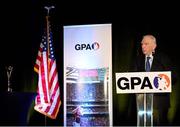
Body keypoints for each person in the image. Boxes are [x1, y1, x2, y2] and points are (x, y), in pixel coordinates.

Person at [133, 34, 176, 126]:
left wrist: (162, 81)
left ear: (154, 46)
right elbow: (133, 79)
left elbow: (174, 77)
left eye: (146, 44)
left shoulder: (163, 58)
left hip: (159, 101)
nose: (143, 46)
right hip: (142, 102)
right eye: (142, 44)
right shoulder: (138, 60)